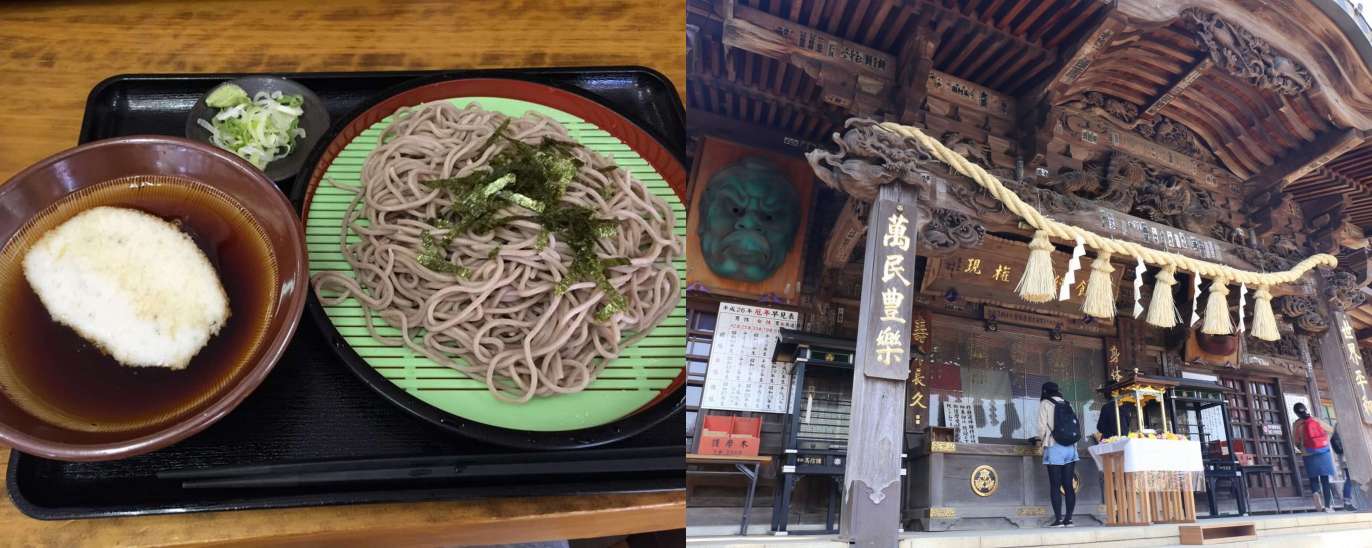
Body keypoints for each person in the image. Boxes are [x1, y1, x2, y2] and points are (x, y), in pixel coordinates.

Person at [1034, 382, 1079, 527]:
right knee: (1068, 485)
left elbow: (1041, 427)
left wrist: (1041, 441)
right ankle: (1069, 519)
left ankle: (1059, 519)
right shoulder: (1067, 403)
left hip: (1054, 446)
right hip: (1070, 448)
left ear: (1045, 390)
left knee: (1055, 485)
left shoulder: (1045, 403)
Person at [1292, 403, 1337, 512]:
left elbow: (1296, 441)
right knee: (1325, 479)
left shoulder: (1296, 425)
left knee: (1313, 478)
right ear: (1306, 409)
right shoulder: (1316, 420)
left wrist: (1302, 448)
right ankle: (1327, 506)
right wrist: (1324, 441)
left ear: (1296, 413)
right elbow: (1331, 430)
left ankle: (1315, 492)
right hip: (1322, 452)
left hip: (1307, 453)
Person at [1332, 427, 1359, 511]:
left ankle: (1348, 501)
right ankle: (1347, 502)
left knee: (1351, 479)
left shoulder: (1337, 428)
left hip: (1344, 458)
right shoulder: (1344, 426)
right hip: (1348, 458)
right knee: (1351, 479)